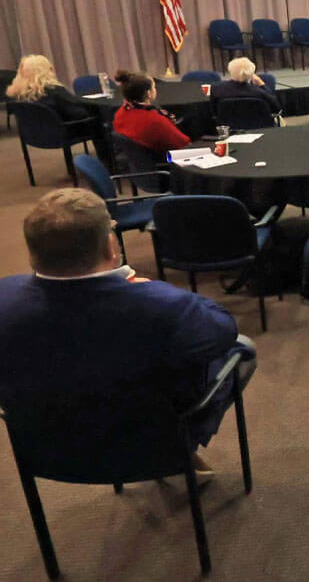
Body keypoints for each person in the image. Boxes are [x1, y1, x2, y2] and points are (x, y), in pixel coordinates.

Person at [0, 189, 250, 475]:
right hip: (149, 437)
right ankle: (174, 452)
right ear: (111, 246)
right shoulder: (158, 303)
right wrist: (144, 286)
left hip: (49, 449)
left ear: (33, 253)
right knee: (241, 350)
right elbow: (223, 329)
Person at [112, 70, 190, 154]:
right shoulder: (155, 121)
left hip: (139, 160)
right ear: (149, 93)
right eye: (154, 87)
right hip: (165, 159)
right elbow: (184, 145)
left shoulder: (121, 113)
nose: (155, 89)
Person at [212, 56, 281, 115]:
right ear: (251, 73)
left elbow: (213, 111)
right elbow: (277, 108)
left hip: (227, 127)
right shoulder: (259, 92)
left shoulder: (216, 89)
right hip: (260, 127)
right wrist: (262, 85)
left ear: (230, 71)